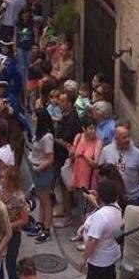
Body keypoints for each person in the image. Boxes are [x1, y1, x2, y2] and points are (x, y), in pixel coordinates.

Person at [80, 179, 123, 279]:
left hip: (99, 257)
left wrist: (84, 258)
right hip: (111, 254)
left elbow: (92, 240)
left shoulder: (101, 216)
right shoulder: (116, 208)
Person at [99, 122, 139, 205]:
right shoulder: (106, 151)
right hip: (113, 200)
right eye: (124, 137)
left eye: (129, 136)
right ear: (116, 138)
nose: (128, 139)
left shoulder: (137, 153)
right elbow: (100, 172)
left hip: (133, 199)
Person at [53, 91, 81, 227]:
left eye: (62, 100)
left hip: (66, 158)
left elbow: (67, 142)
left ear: (69, 104)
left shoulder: (72, 120)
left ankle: (68, 216)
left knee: (66, 187)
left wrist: (53, 138)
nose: (59, 102)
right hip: (60, 156)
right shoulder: (66, 115)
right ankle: (65, 209)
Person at [30, 110, 56, 243]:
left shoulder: (47, 137)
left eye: (35, 116)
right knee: (41, 198)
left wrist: (39, 167)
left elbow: (50, 158)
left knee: (46, 201)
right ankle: (40, 223)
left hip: (43, 171)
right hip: (36, 170)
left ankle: (46, 229)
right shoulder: (38, 133)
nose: (33, 118)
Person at [0, 168, 29, 279]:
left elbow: (24, 219)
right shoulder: (0, 192)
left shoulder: (18, 197)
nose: (1, 180)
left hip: (13, 234)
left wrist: (9, 226)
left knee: (10, 263)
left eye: (4, 178)